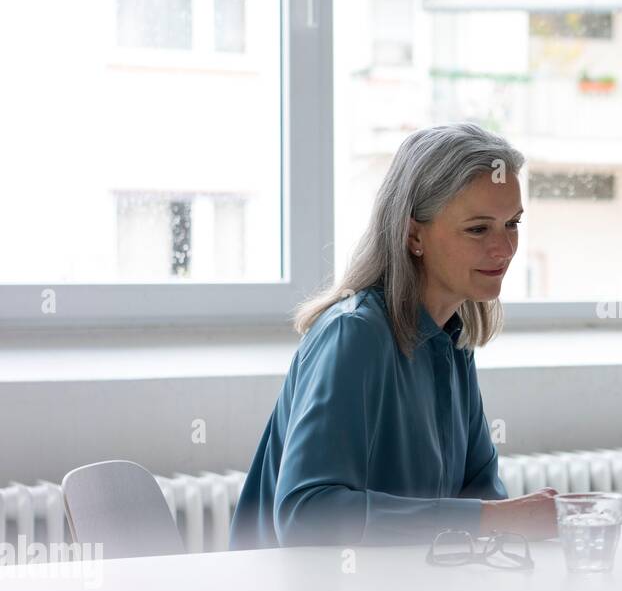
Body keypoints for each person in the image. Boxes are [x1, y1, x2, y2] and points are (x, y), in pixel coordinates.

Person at [230, 123, 556, 549]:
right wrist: (494, 519)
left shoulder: (452, 341)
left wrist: (523, 522)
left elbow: (479, 493)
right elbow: (307, 515)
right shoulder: (353, 335)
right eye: (478, 229)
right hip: (298, 588)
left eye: (512, 223)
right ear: (413, 234)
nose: (505, 248)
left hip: (401, 586)